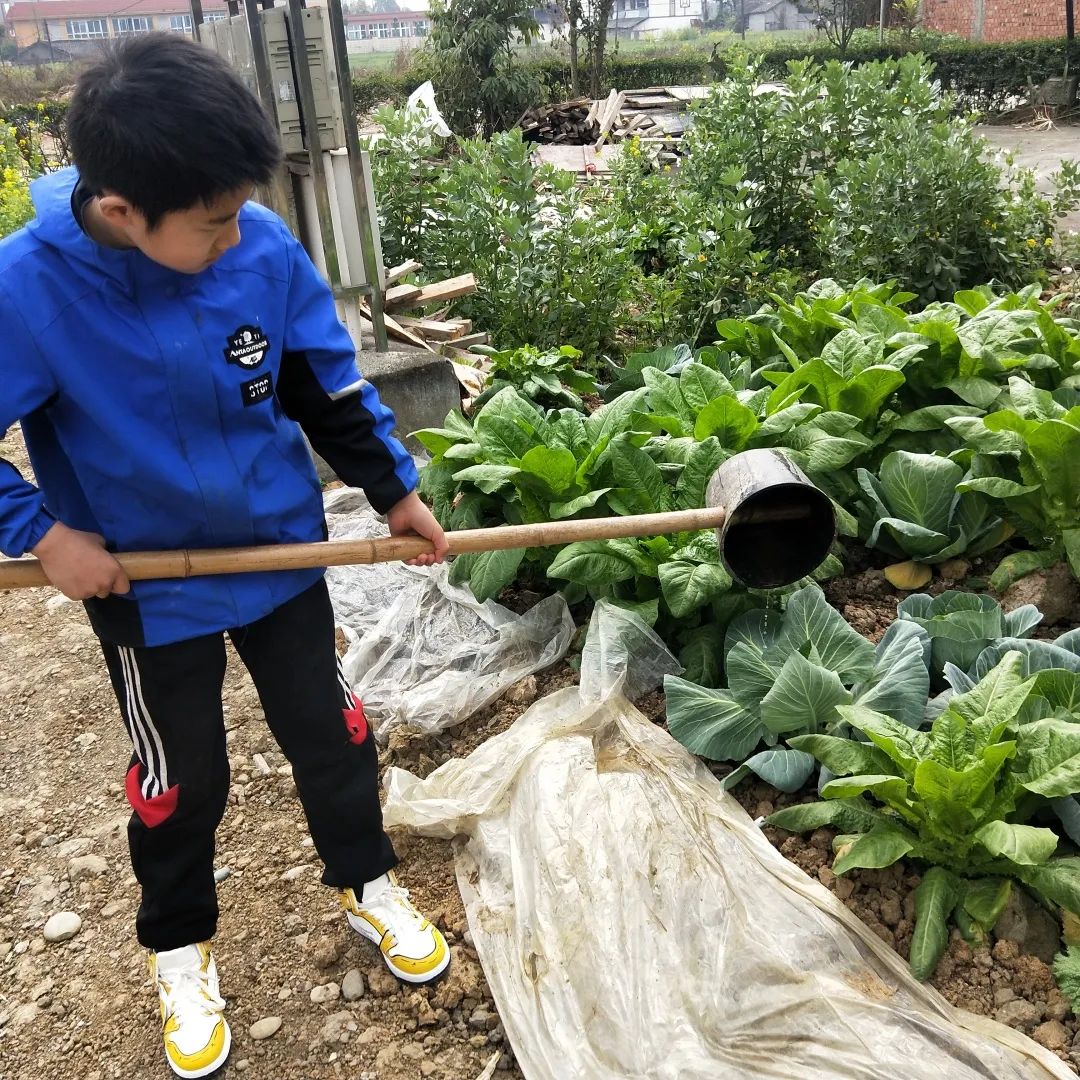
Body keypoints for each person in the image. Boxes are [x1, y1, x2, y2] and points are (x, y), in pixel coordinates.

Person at [0, 33, 451, 1080]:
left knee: (333, 734)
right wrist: (43, 533)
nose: (235, 234)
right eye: (211, 224)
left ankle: (368, 880)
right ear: (120, 212)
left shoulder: (254, 244)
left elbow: (323, 388)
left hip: (278, 549)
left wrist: (396, 490)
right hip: (147, 588)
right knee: (181, 777)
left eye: (240, 209)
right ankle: (178, 945)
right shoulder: (26, 290)